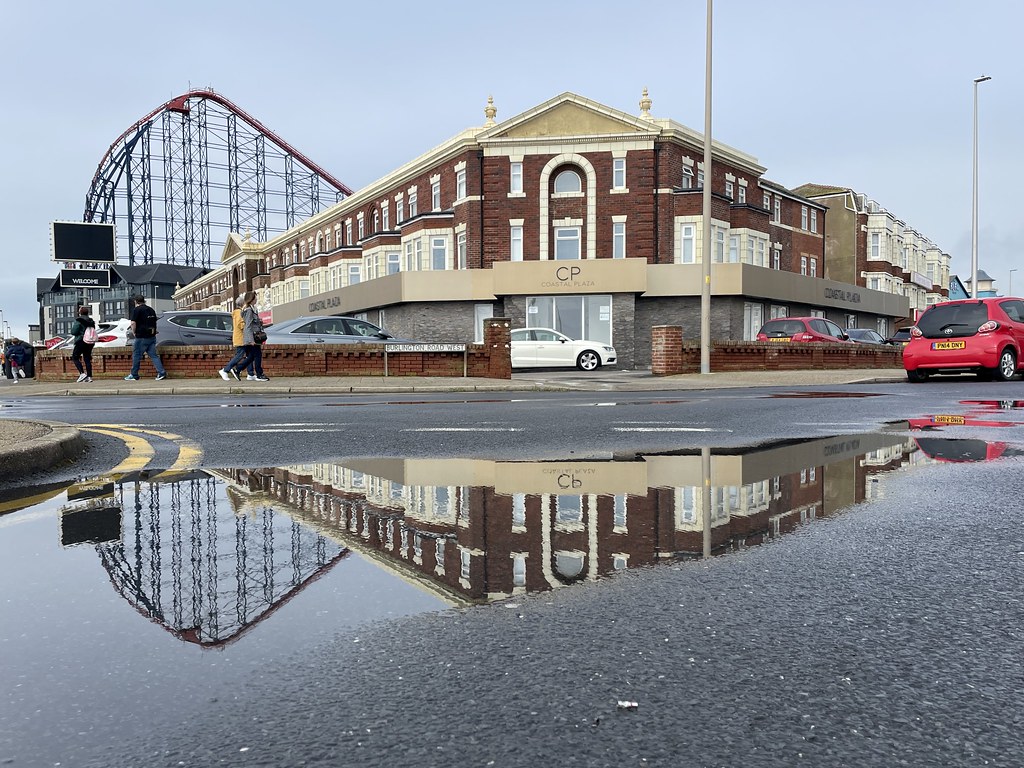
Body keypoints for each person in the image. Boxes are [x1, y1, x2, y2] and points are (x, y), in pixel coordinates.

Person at [228, 291, 269, 381]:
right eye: (255, 298)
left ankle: (238, 370)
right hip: (252, 338)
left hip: (254, 337)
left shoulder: (252, 309)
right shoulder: (249, 310)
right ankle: (258, 374)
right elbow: (247, 326)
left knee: (252, 356)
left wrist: (259, 322)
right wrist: (251, 340)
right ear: (252, 299)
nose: (256, 299)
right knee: (256, 355)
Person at [125, 294, 167, 381]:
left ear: (136, 301)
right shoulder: (151, 309)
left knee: (136, 355)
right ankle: (161, 373)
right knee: (154, 355)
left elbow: (133, 323)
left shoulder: (137, 310)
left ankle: (134, 375)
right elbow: (154, 322)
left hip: (141, 336)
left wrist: (134, 332)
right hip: (151, 336)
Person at [218, 295, 255, 380]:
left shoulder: (239, 312)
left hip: (244, 337)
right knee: (240, 355)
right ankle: (225, 370)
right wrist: (249, 325)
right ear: (243, 303)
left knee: (249, 355)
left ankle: (251, 374)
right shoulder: (239, 313)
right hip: (241, 338)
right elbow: (240, 324)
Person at [70, 307, 97, 382]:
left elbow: (74, 331)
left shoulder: (79, 320)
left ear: (80, 313)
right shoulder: (91, 321)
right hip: (90, 342)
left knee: (75, 357)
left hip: (81, 341)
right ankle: (89, 377)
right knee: (87, 358)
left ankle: (82, 373)